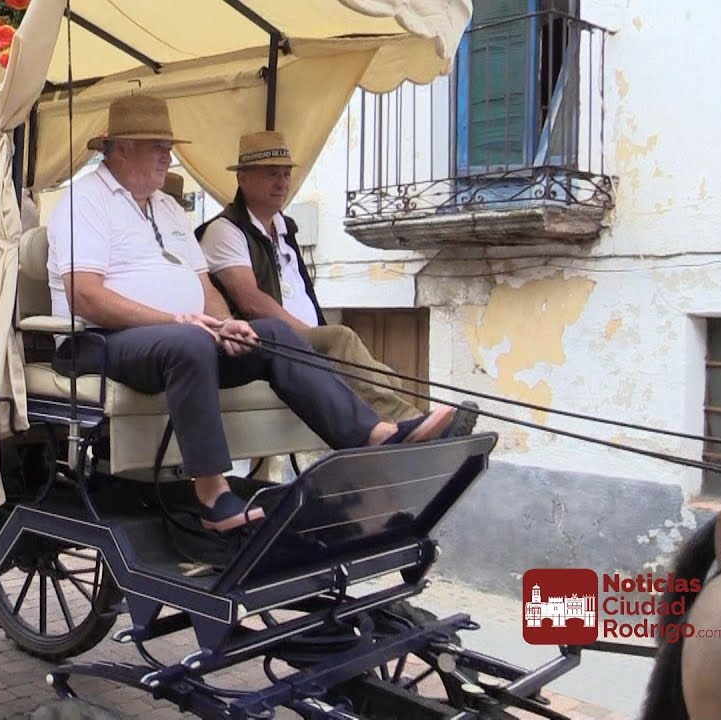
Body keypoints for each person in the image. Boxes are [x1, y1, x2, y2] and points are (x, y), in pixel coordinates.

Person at [46, 93, 458, 534]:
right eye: (159, 148)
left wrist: (227, 325)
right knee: (188, 342)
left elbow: (204, 288)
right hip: (97, 340)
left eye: (169, 147)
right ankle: (212, 495)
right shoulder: (83, 201)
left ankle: (373, 435)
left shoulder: (167, 208)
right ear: (122, 148)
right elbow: (85, 296)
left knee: (271, 335)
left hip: (181, 339)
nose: (170, 156)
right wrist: (176, 321)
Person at [197, 130, 478, 432]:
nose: (282, 182)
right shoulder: (225, 230)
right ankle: (410, 425)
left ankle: (421, 425)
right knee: (340, 339)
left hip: (298, 338)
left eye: (285, 173)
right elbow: (252, 303)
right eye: (270, 174)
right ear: (243, 178)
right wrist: (308, 334)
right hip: (265, 345)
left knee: (381, 373)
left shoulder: (283, 229)